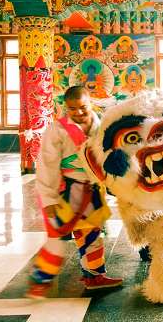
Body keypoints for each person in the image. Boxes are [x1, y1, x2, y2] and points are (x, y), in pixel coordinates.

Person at [26, 86, 122, 299]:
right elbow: (47, 165)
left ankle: (94, 277)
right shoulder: (57, 130)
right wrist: (49, 199)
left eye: (82, 107)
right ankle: (39, 280)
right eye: (72, 109)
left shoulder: (100, 126)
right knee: (58, 237)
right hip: (66, 191)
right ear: (65, 107)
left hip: (92, 189)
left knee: (90, 234)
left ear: (91, 103)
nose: (78, 112)